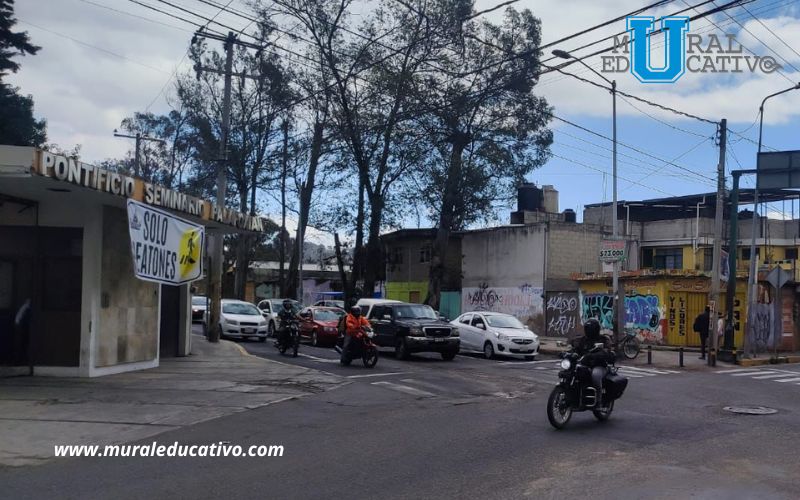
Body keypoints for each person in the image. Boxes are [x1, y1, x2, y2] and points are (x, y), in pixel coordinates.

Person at [571, 318, 613, 408]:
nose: (588, 331)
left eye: (590, 329)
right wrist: (568, 353)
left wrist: (594, 355)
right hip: (584, 364)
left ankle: (598, 401)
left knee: (595, 375)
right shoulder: (583, 340)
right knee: (571, 372)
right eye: (587, 328)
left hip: (599, 365)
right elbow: (576, 349)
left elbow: (607, 351)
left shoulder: (603, 339)